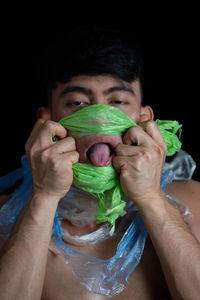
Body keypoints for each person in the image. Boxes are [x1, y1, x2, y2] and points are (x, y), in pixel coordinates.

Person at [0, 26, 200, 300]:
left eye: (117, 101)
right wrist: (44, 196)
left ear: (144, 119)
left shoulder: (193, 203)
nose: (100, 118)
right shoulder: (5, 217)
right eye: (78, 102)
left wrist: (151, 197)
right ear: (47, 120)